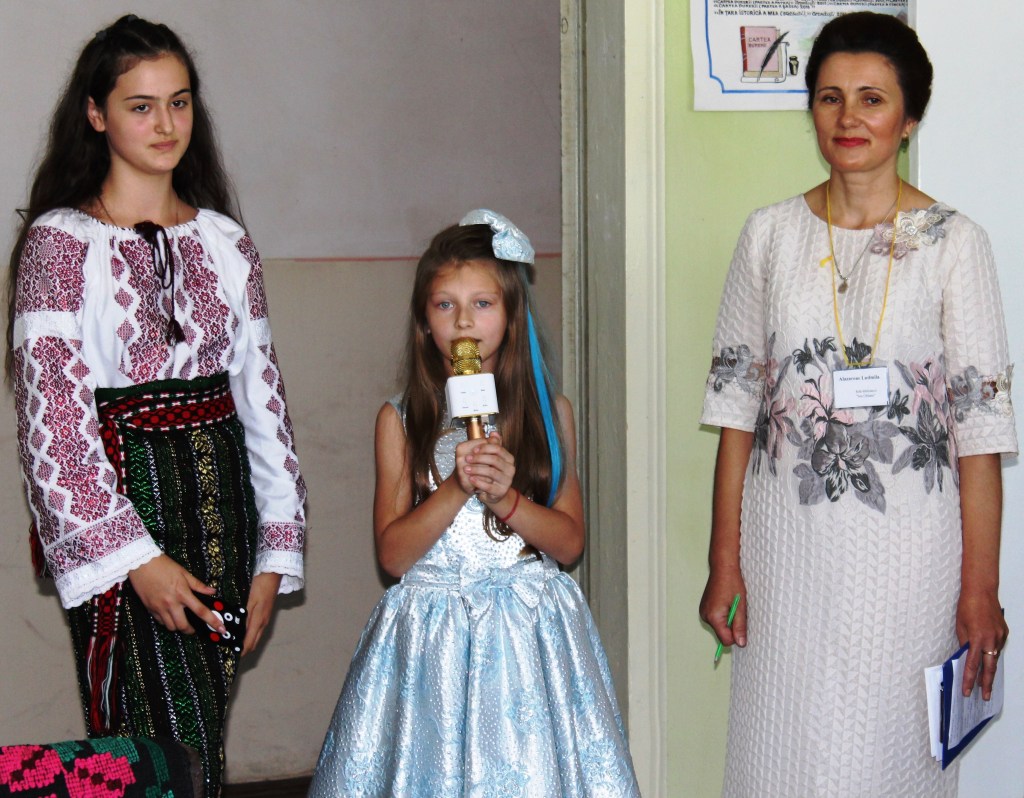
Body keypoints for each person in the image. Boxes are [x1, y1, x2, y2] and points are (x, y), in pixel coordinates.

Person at [698, 12, 1014, 798]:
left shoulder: (956, 244)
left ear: (909, 118)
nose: (849, 118)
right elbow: (735, 413)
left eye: (872, 99)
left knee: (888, 760)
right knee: (782, 755)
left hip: (912, 562)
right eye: (830, 97)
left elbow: (980, 435)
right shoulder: (768, 236)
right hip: (785, 555)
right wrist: (723, 559)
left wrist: (980, 588)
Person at [6, 15, 306, 796]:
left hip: (224, 515)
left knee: (198, 751)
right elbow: (54, 421)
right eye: (140, 106)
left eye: (179, 102)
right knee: (146, 751)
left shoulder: (227, 243)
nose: (165, 124)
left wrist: (274, 553)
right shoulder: (60, 244)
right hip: (120, 517)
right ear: (96, 114)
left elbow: (263, 403)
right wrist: (137, 561)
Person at [308, 210, 639, 797]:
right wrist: (457, 486)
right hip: (433, 635)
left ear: (511, 315)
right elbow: (393, 555)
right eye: (445, 305)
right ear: (423, 320)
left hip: (529, 632)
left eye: (483, 304)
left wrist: (506, 498)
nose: (464, 320)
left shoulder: (550, 413)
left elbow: (569, 543)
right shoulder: (400, 419)